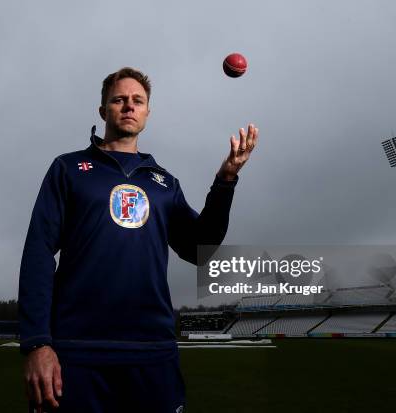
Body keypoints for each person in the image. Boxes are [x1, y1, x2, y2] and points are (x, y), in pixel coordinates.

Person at [19, 67, 258, 412]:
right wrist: (37, 343)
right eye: (119, 99)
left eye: (138, 101)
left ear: (147, 112)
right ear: (104, 111)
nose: (129, 106)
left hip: (152, 351)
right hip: (76, 349)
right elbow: (38, 253)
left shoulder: (164, 183)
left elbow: (199, 248)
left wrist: (225, 180)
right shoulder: (68, 169)